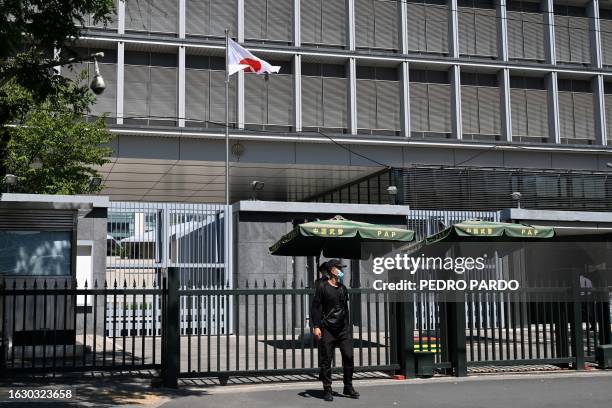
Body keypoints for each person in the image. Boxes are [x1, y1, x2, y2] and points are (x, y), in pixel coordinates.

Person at [310, 259, 359, 401]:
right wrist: (316, 326)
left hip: (343, 330)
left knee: (349, 357)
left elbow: (345, 309)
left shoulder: (343, 288)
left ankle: (348, 386)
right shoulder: (322, 287)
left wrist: (348, 327)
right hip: (327, 329)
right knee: (326, 360)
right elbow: (315, 307)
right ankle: (327, 389)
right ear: (332, 270)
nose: (341, 270)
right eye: (339, 268)